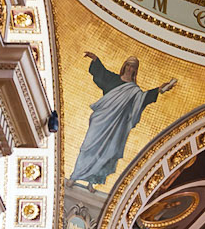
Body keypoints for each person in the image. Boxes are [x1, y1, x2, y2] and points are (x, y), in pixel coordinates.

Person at [67, 51, 174, 186]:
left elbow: (143, 99)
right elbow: (101, 73)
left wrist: (159, 89)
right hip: (101, 120)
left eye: (133, 67)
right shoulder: (112, 79)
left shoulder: (134, 90)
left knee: (107, 152)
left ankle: (93, 182)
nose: (130, 69)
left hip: (116, 126)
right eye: (129, 65)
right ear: (124, 66)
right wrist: (95, 59)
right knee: (88, 146)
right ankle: (75, 175)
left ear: (136, 70)